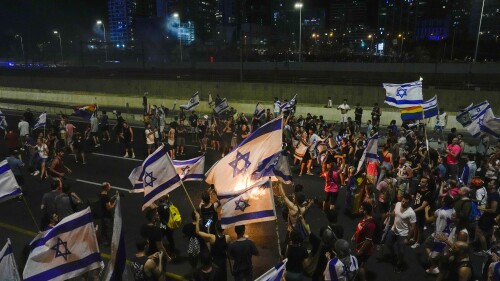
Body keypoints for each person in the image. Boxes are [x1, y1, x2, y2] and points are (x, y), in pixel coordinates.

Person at [384, 193, 416, 273]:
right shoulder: (398, 204)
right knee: (388, 244)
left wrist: (408, 238)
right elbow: (394, 213)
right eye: (403, 201)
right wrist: (389, 214)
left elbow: (412, 227)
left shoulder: (411, 213)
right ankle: (393, 256)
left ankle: (399, 264)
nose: (403, 203)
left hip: (403, 234)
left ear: (409, 203)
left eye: (406, 202)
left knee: (401, 252)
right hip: (393, 229)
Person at [423, 196, 455, 275]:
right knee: (441, 252)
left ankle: (434, 267)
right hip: (449, 235)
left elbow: (428, 220)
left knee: (433, 253)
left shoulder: (440, 212)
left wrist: (426, 211)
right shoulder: (453, 211)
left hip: (439, 236)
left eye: (442, 200)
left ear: (444, 202)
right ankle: (436, 265)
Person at [195, 213, 231, 281]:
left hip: (215, 262)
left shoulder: (212, 237)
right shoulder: (228, 237)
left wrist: (197, 219)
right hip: (223, 262)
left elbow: (197, 231)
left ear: (216, 229)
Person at [351, 202, 376, 281]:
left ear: (365, 211)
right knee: (363, 263)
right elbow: (360, 228)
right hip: (360, 246)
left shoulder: (370, 224)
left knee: (359, 266)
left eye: (361, 208)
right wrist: (354, 235)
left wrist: (360, 251)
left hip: (365, 250)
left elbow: (368, 240)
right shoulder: (364, 219)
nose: (359, 209)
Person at [410, 177, 432, 249]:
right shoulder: (418, 190)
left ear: (426, 184)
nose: (421, 182)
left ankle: (418, 242)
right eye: (421, 181)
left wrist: (413, 211)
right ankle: (414, 238)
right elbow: (414, 199)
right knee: (415, 225)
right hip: (415, 211)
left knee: (420, 228)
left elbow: (423, 206)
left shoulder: (428, 193)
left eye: (423, 182)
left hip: (421, 213)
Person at [99, 182, 116, 246]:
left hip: (102, 214)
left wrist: (114, 197)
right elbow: (109, 208)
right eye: (109, 186)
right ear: (106, 188)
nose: (110, 187)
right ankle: (108, 242)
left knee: (103, 229)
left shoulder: (101, 195)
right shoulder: (106, 197)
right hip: (107, 216)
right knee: (108, 229)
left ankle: (101, 240)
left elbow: (106, 201)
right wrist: (115, 202)